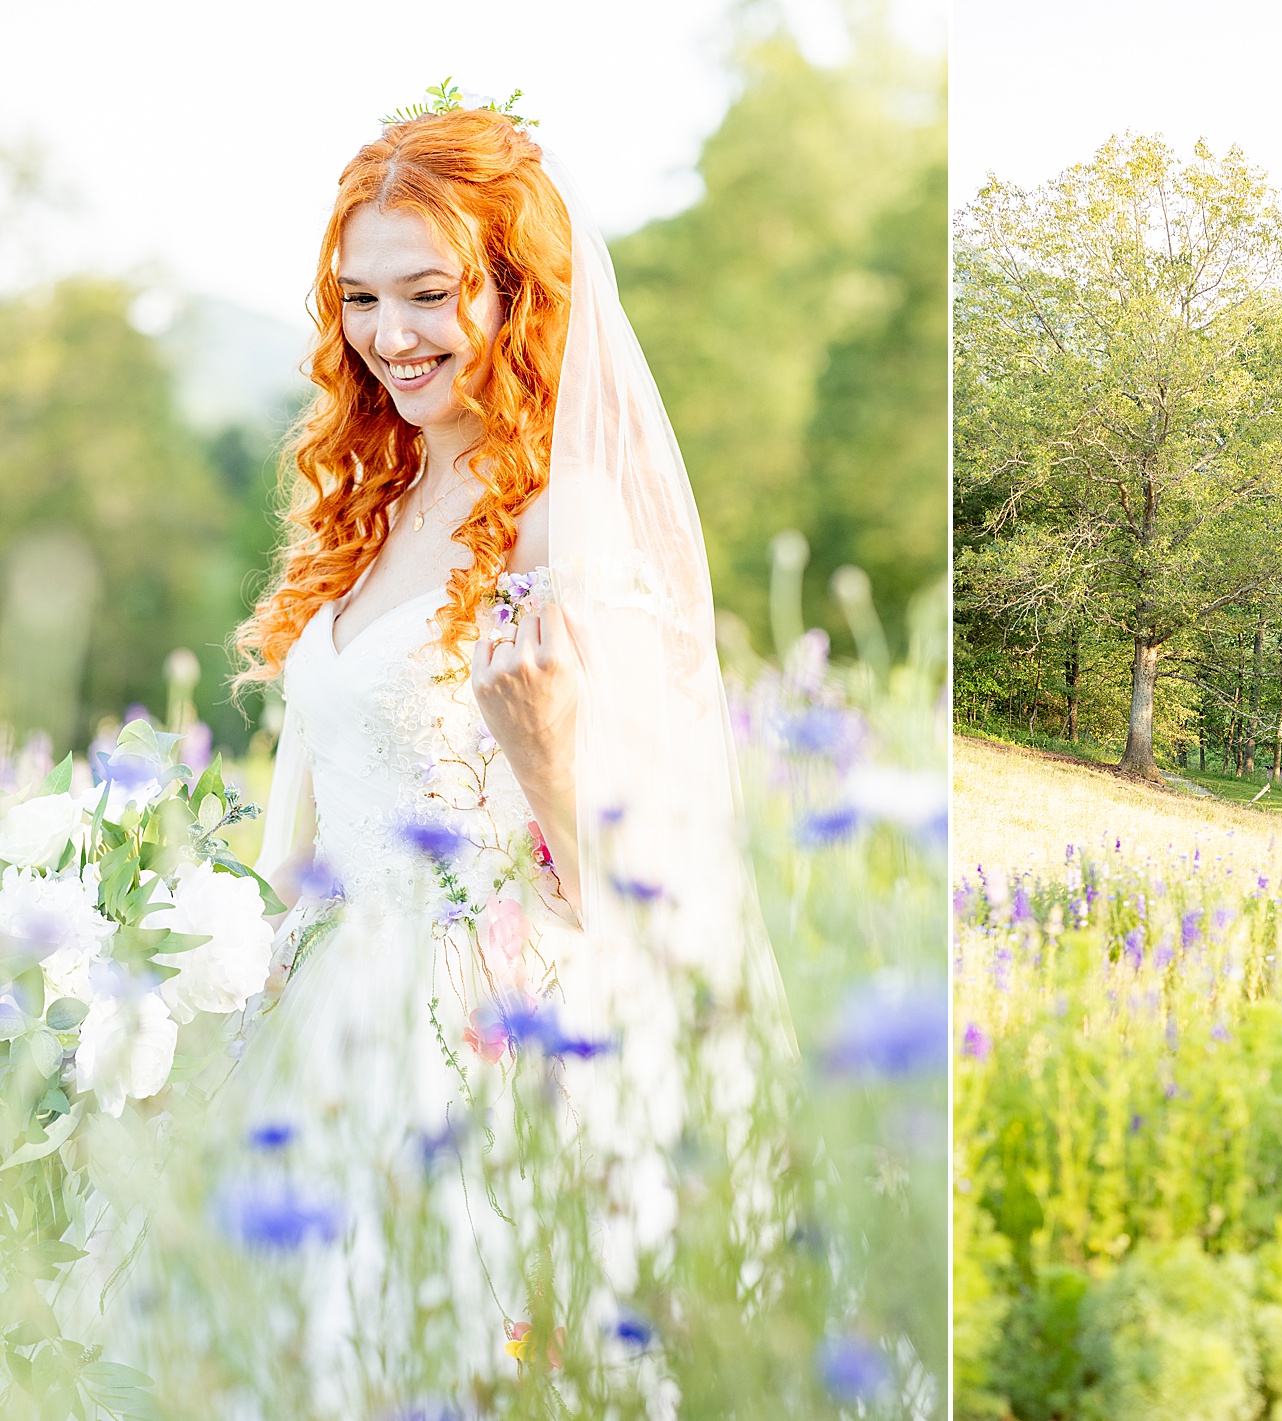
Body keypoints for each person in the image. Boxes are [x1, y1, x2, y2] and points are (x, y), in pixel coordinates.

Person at [105, 97, 781, 1410]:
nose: (390, 335)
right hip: (316, 1022)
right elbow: (306, 812)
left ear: (512, 295)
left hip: (474, 1045)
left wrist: (548, 758)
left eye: (428, 292)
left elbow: (654, 898)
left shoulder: (563, 522)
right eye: (361, 296)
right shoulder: (377, 494)